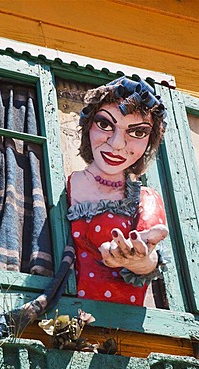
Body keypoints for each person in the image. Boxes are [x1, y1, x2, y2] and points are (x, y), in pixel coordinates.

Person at [66, 75, 169, 306]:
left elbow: (149, 258)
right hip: (60, 315)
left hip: (124, 326)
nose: (116, 143)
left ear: (149, 141)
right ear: (88, 126)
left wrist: (138, 259)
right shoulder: (61, 188)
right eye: (104, 124)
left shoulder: (146, 200)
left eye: (137, 132)